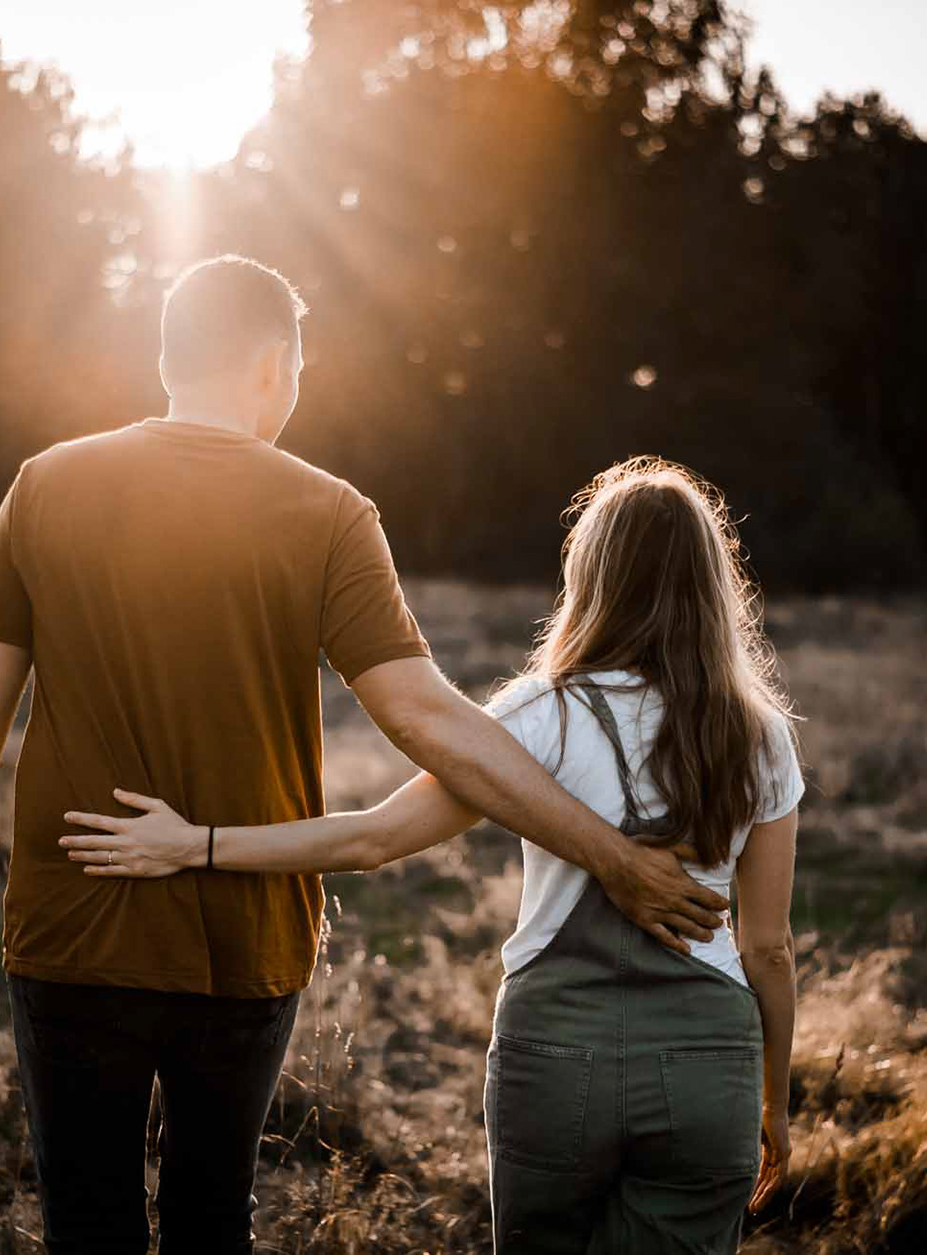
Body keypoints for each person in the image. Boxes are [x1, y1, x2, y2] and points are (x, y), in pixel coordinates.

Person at [0, 256, 735, 1255]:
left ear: (170, 358)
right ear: (273, 364)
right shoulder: (331, 513)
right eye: (298, 372)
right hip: (246, 940)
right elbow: (426, 720)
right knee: (212, 1220)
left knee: (87, 1223)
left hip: (72, 928)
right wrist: (617, 859)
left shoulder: (46, 485)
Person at [58, 455, 804, 1254]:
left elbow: (373, 836)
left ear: (591, 576)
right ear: (712, 584)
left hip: (556, 1057)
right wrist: (773, 1100)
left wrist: (195, 844)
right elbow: (768, 947)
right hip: (710, 1068)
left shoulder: (539, 715)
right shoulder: (760, 732)